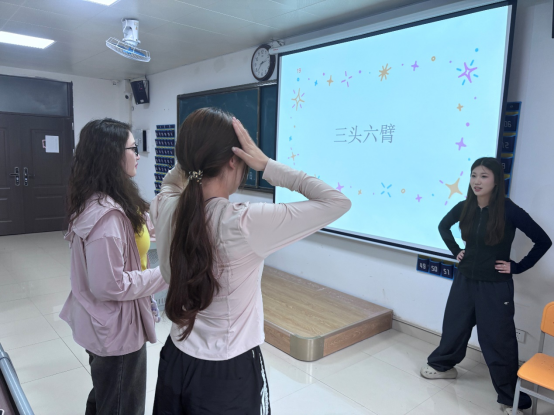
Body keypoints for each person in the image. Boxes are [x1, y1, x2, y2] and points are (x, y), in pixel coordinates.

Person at [150, 108, 352, 415]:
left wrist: (191, 161)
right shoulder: (244, 222)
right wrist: (266, 164)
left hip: (175, 358)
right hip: (227, 375)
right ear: (234, 159)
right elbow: (337, 202)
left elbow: (170, 181)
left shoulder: (165, 206)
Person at [420, 157, 552, 415]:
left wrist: (517, 266)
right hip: (465, 279)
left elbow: (543, 241)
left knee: (498, 339)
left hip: (495, 285)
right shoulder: (465, 206)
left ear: (496, 181)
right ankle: (443, 365)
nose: (476, 181)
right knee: (455, 325)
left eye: (483, 176)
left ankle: (511, 398)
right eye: (473, 175)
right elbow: (443, 226)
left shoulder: (509, 210)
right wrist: (456, 251)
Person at [61, 119, 168, 415]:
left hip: (109, 324)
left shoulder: (110, 199)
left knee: (106, 394)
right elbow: (110, 285)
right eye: (133, 148)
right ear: (112, 155)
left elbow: (136, 233)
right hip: (116, 330)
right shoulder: (106, 217)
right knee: (121, 404)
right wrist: (167, 274)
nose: (138, 155)